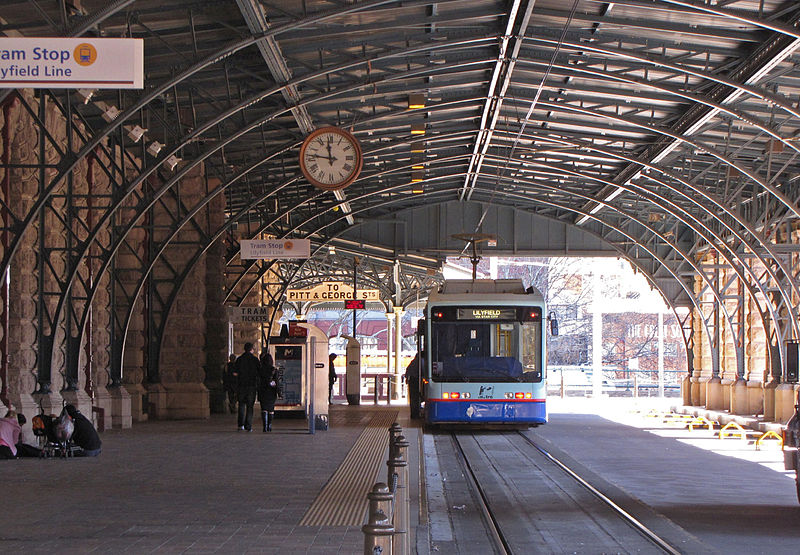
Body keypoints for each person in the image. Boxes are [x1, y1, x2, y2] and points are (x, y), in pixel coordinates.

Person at [233, 342, 260, 431]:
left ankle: (240, 425)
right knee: (250, 406)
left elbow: (235, 373)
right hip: (251, 386)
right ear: (252, 349)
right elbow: (259, 372)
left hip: (241, 385)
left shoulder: (239, 359)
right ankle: (248, 426)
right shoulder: (255, 360)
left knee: (241, 405)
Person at [257, 352, 280, 432]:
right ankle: (269, 425)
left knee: (264, 409)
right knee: (271, 409)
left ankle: (265, 426)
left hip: (262, 390)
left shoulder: (260, 369)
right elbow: (277, 382)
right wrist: (279, 392)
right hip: (271, 391)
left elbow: (258, 380)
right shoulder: (274, 370)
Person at [404, 354, 421, 419]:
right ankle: (416, 413)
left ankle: (414, 414)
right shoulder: (421, 361)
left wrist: (406, 379)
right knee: (416, 398)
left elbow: (407, 371)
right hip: (416, 380)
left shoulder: (413, 362)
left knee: (413, 398)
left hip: (412, 380)